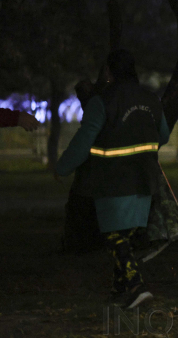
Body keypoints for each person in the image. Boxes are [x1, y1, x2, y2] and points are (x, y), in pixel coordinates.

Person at [55, 49, 170, 308]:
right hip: (145, 179)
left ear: (108, 72)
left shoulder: (102, 102)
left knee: (113, 236)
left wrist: (62, 167)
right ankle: (119, 294)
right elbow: (163, 136)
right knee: (124, 236)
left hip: (113, 182)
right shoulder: (151, 99)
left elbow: (84, 141)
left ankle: (135, 286)